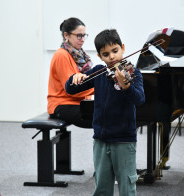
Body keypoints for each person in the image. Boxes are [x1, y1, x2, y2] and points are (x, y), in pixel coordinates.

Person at [65, 29, 145, 196]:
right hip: (100, 139)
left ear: (122, 48)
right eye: (106, 54)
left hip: (124, 139)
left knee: (127, 184)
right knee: (102, 184)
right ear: (100, 56)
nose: (112, 57)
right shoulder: (99, 72)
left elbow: (139, 99)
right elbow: (70, 89)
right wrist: (74, 78)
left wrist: (126, 87)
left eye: (115, 51)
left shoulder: (132, 73)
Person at [47, 17, 94, 128]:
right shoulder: (62, 55)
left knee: (110, 111)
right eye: (79, 35)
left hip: (76, 103)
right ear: (66, 35)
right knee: (104, 117)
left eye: (84, 35)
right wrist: (99, 88)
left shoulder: (79, 55)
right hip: (61, 105)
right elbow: (72, 89)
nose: (82, 39)